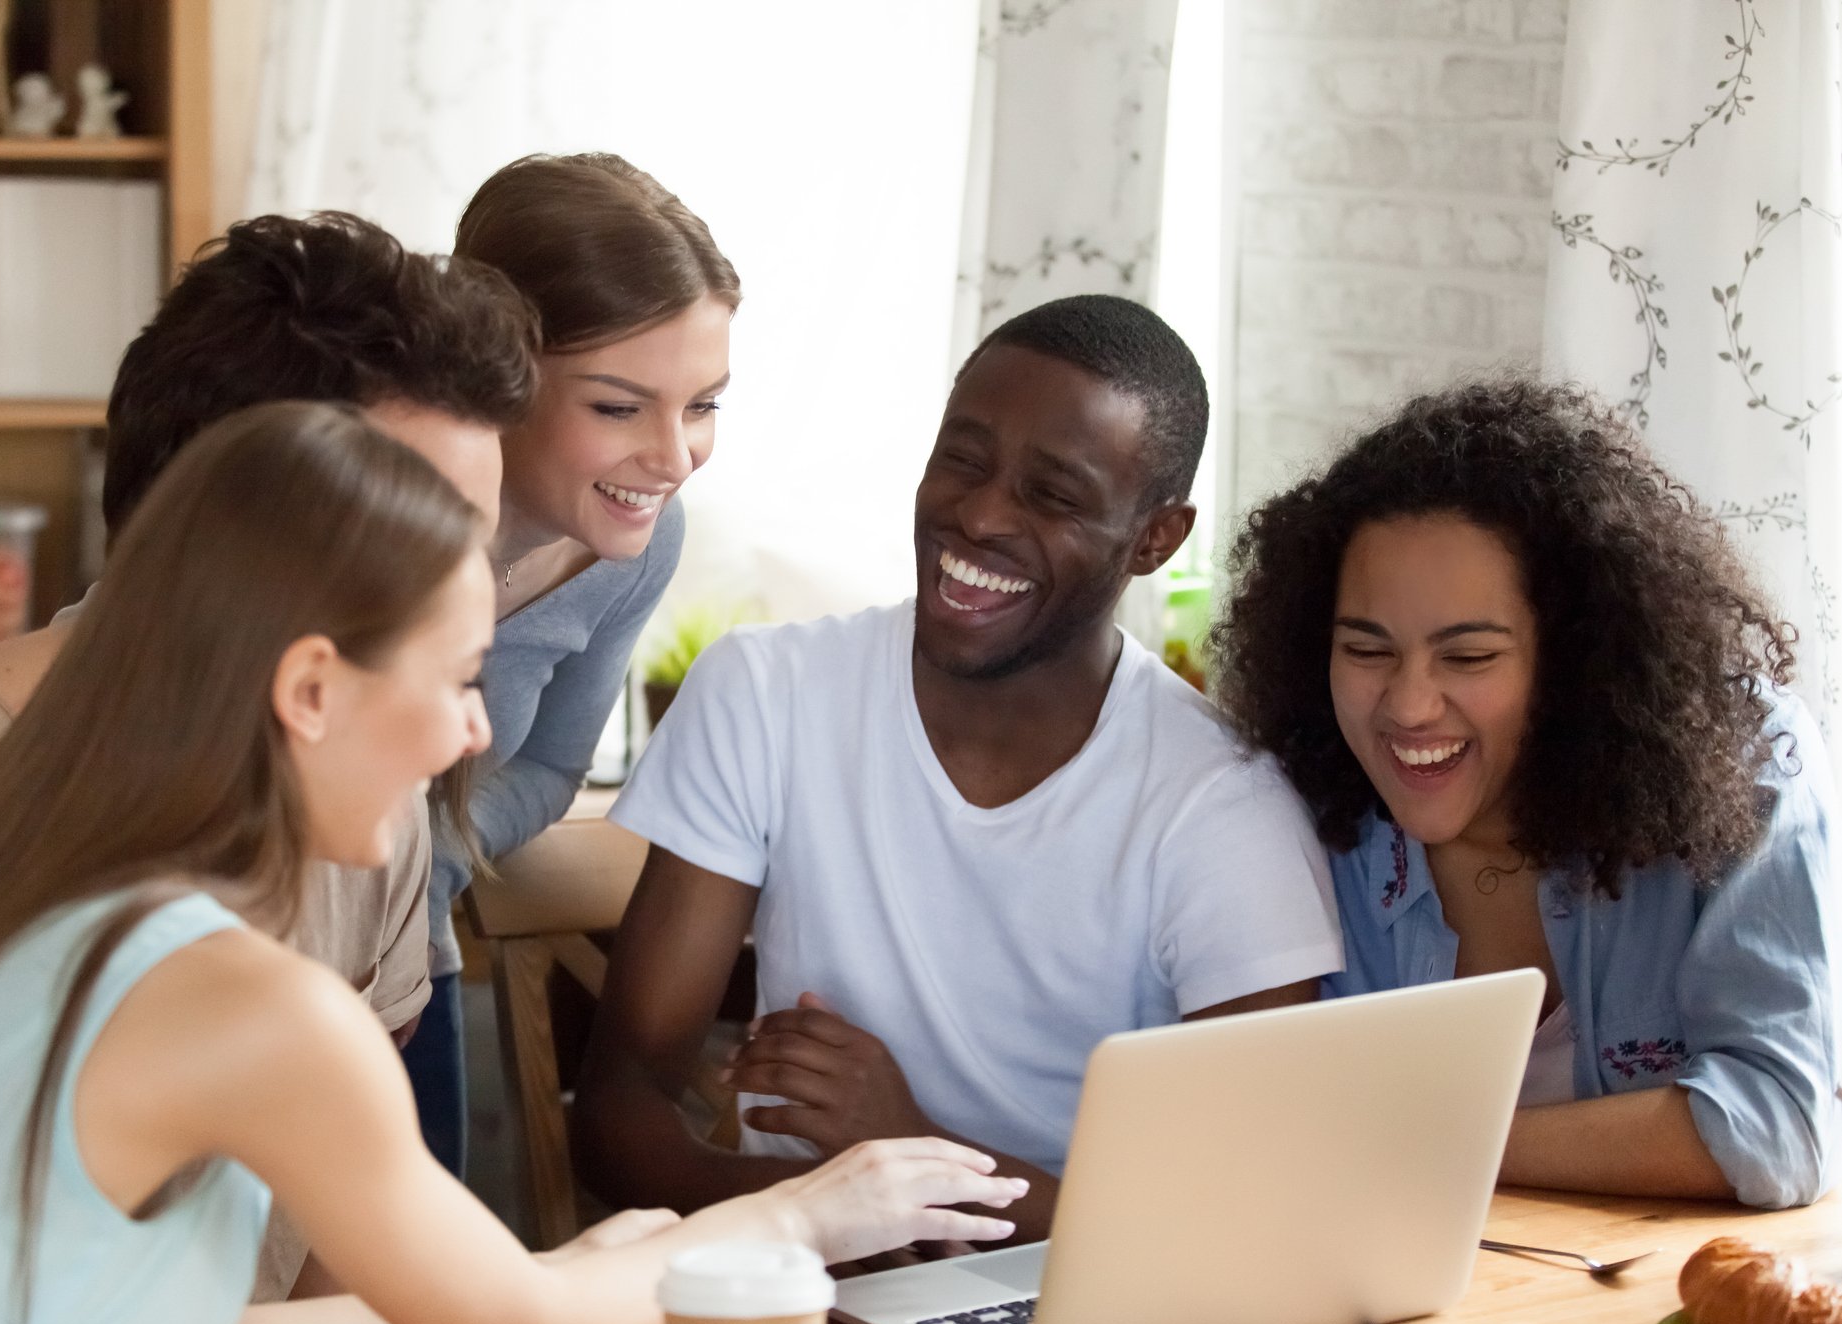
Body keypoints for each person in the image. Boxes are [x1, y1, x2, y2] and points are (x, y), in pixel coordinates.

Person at [0, 403, 1025, 1324]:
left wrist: (568, 1280)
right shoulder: (255, 1003)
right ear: (308, 689)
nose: (473, 730)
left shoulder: (74, 912)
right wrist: (805, 1209)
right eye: (458, 676)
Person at [0, 212, 532, 1296]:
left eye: (472, 549)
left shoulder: (371, 791)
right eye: (414, 545)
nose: (461, 601)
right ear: (218, 536)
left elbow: (338, 1271)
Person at [571, 295, 1344, 1241]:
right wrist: (807, 1223)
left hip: (1067, 1319)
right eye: (962, 460)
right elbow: (616, 1112)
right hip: (797, 1297)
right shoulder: (766, 693)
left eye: (1053, 495)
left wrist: (909, 1151)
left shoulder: (1222, 809)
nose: (978, 515)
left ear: (1156, 539)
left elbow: (1234, 1219)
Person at [1208, 378, 1840, 1210]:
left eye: (1467, 658)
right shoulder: (1292, 799)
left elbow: (1780, 1127)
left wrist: (1423, 1139)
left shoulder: (1739, 757)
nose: (1406, 705)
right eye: (1366, 650)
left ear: (1577, 659)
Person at [405, 152, 736, 1173]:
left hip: (402, 963)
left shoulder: (633, 542)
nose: (673, 457)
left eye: (705, 404)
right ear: (495, 371)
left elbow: (549, 770)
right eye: (618, 407)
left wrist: (426, 860)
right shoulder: (361, 515)